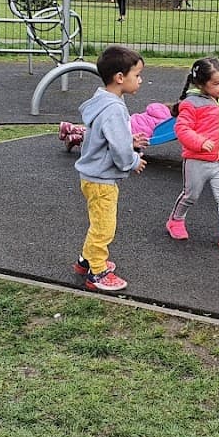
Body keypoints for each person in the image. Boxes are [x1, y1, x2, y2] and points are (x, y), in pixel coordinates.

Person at [73, 45, 149, 291]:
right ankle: (97, 273)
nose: (140, 80)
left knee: (98, 221)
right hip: (101, 180)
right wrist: (133, 159)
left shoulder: (104, 100)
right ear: (120, 78)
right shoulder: (114, 108)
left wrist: (130, 140)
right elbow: (118, 148)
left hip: (93, 176)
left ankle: (86, 260)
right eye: (136, 75)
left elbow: (106, 137)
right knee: (104, 227)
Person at [165, 56, 219, 253]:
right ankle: (175, 220)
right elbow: (182, 130)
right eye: (216, 83)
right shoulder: (191, 104)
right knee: (191, 195)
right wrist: (200, 143)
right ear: (201, 84)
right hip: (197, 160)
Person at [57, 102, 171, 152]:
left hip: (128, 121)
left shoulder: (157, 110)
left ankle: (75, 137)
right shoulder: (166, 120)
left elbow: (151, 108)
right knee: (103, 135)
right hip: (131, 131)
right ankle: (72, 128)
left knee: (102, 133)